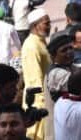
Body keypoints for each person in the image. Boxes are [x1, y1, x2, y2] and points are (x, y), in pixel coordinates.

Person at [20, 10, 51, 140]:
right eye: (46, 23)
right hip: (38, 103)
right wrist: (41, 107)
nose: (48, 26)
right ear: (34, 25)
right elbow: (34, 81)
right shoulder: (32, 46)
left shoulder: (40, 41)